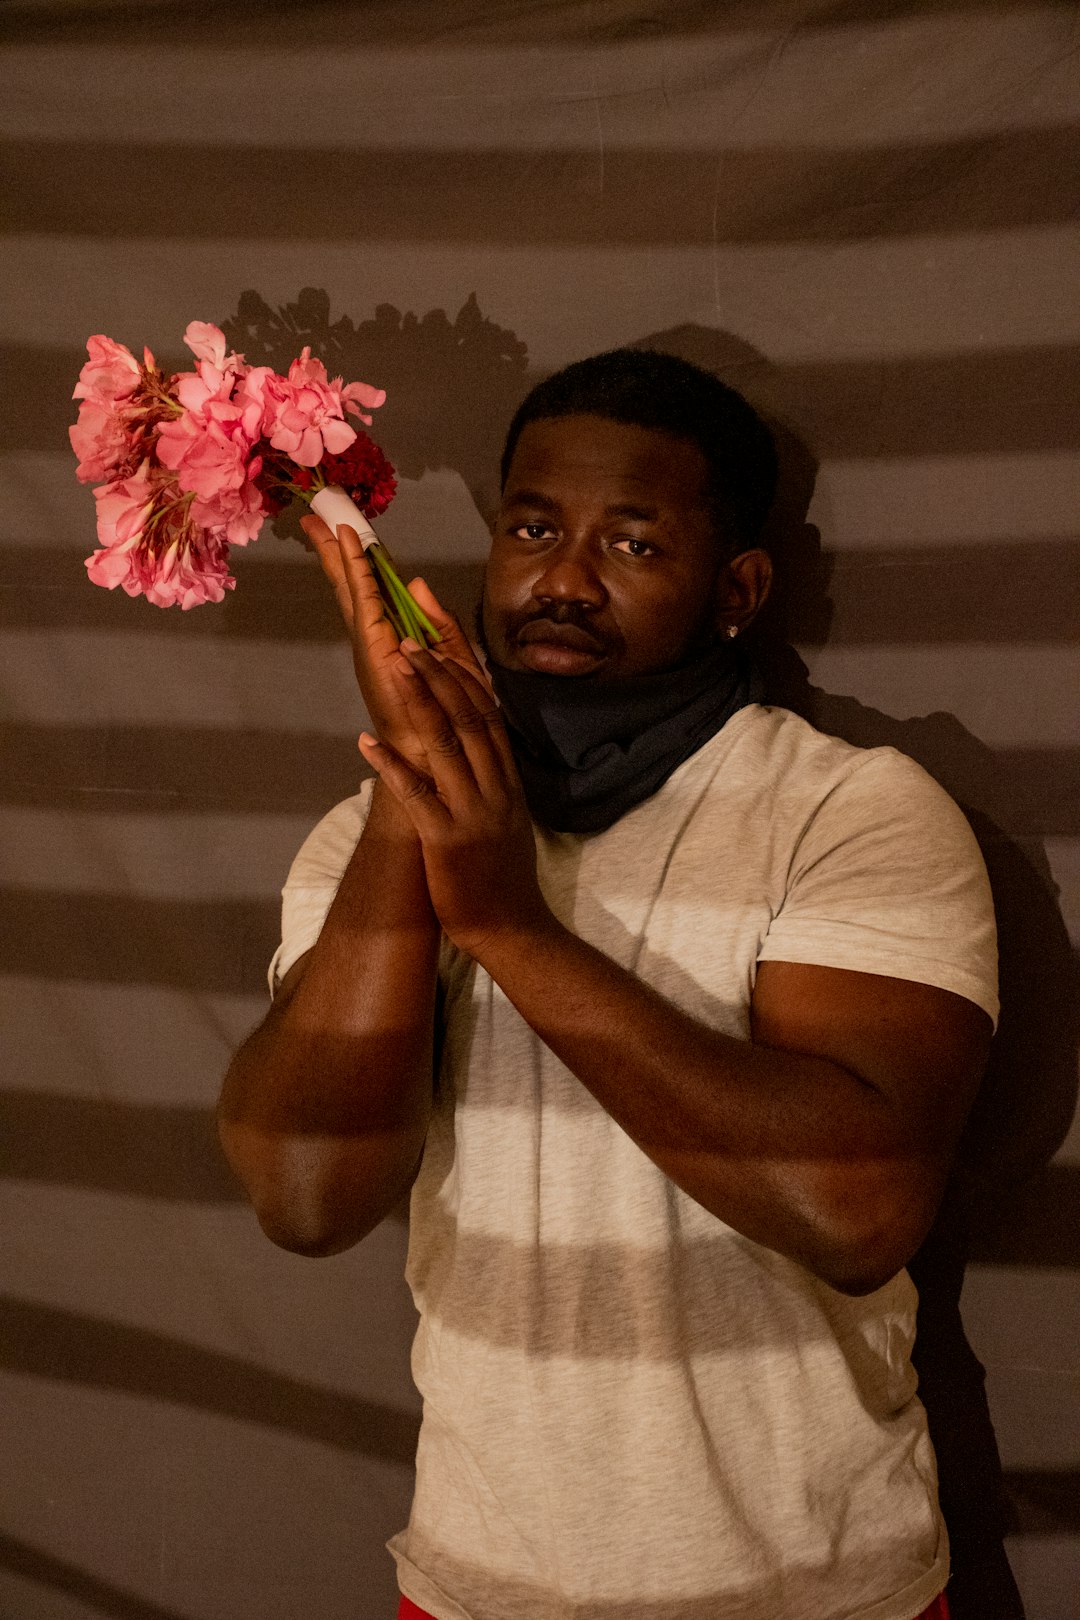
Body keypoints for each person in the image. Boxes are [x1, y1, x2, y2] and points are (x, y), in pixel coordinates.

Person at [217, 350, 998, 1620]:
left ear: (738, 590)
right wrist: (414, 796)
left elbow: (860, 1210)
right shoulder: (368, 839)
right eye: (533, 528)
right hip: (481, 1588)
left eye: (632, 546)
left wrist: (510, 927)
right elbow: (307, 1196)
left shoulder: (848, 813)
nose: (561, 581)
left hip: (815, 1595)